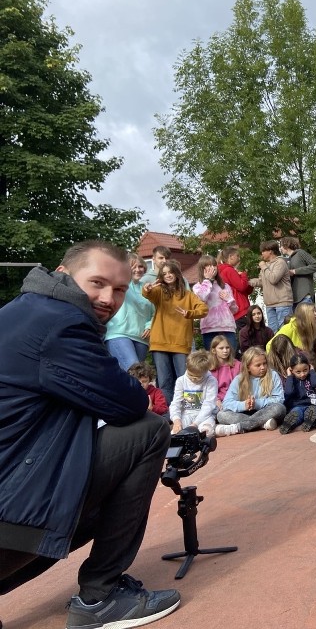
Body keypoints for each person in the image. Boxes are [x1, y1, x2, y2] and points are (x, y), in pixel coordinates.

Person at [0, 241, 180, 628]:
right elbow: (128, 403)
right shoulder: (59, 322)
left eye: (118, 289)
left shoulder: (22, 311)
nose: (107, 298)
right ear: (64, 274)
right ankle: (100, 597)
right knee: (148, 431)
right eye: (96, 283)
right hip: (8, 511)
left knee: (96, 478)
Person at [142, 260, 208, 404]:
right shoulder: (159, 291)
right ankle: (168, 414)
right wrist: (147, 288)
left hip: (180, 343)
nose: (168, 275)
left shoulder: (188, 295)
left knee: (185, 378)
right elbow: (148, 294)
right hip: (160, 343)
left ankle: (193, 410)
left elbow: (203, 310)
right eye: (164, 273)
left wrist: (189, 313)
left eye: (170, 272)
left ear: (177, 274)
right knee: (165, 381)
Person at [215, 347, 286, 436]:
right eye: (258, 365)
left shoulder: (273, 375)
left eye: (264, 363)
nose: (263, 367)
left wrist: (256, 403)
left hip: (265, 411)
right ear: (248, 367)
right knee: (221, 415)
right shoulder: (239, 379)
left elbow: (279, 399)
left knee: (279, 408)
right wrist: (244, 405)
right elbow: (226, 403)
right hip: (246, 413)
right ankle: (262, 425)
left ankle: (239, 427)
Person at [105, 252, 154, 370]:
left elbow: (155, 312)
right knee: (135, 370)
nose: (138, 270)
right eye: (133, 266)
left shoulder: (148, 288)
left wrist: (150, 325)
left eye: (140, 266)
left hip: (141, 337)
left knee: (132, 376)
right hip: (119, 333)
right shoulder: (120, 283)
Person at [193, 254, 238, 351]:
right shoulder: (197, 287)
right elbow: (203, 297)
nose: (212, 268)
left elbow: (234, 310)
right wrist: (208, 280)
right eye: (208, 266)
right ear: (202, 269)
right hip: (209, 328)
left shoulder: (225, 286)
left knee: (230, 359)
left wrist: (229, 299)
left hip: (227, 328)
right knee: (212, 362)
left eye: (214, 265)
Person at [169, 350, 218, 437]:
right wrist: (176, 420)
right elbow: (176, 403)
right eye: (191, 375)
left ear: (206, 371)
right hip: (187, 414)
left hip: (205, 416)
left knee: (207, 432)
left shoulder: (211, 381)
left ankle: (224, 428)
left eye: (198, 377)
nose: (193, 379)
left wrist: (195, 424)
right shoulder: (181, 380)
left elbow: (209, 405)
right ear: (187, 366)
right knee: (174, 434)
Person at [250, 240, 292, 333]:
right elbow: (262, 282)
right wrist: (247, 281)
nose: (262, 253)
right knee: (273, 333)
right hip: (270, 304)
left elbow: (273, 279)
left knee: (285, 332)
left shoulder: (280, 262)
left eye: (263, 251)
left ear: (270, 251)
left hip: (282, 303)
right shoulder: (265, 265)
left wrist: (263, 267)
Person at [278, 353, 316, 434]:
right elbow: (288, 391)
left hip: (312, 404)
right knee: (296, 413)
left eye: (305, 370)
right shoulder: (292, 379)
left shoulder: (311, 376)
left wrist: (312, 370)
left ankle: (309, 422)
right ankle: (288, 424)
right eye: (298, 372)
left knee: (313, 411)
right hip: (297, 405)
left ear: (309, 367)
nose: (302, 374)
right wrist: (289, 376)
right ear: (292, 370)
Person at [217, 246, 254, 341]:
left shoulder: (223, 270)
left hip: (235, 309)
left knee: (243, 336)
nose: (239, 258)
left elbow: (245, 289)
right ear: (231, 257)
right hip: (241, 308)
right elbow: (241, 286)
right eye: (237, 256)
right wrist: (243, 275)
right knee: (248, 337)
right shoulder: (229, 270)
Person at [279, 237, 316, 307]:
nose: (280, 249)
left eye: (281, 246)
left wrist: (295, 271)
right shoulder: (288, 260)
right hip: (294, 298)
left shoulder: (301, 253)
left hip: (305, 296)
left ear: (286, 245)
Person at [210, 335, 241, 410]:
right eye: (221, 348)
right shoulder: (209, 367)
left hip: (234, 399)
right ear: (214, 350)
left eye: (227, 347)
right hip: (215, 400)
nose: (225, 351)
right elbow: (208, 389)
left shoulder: (238, 365)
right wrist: (216, 400)